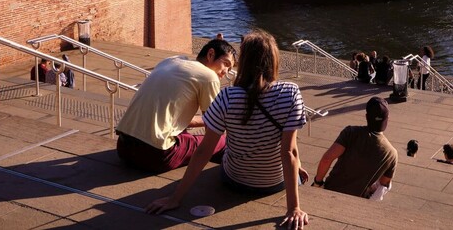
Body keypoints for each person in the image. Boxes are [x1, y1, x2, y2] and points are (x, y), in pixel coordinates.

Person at [146, 30, 310, 229]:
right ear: (274, 60)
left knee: (222, 154)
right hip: (275, 182)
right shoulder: (291, 92)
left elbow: (204, 151)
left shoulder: (227, 97)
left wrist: (175, 198)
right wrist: (294, 208)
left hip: (235, 179)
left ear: (245, 62)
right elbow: (289, 150)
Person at [116, 38, 235, 173]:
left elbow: (172, 115)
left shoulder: (170, 61)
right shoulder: (209, 76)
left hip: (123, 147)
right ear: (211, 54)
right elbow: (212, 131)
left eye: (230, 69)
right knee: (222, 142)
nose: (226, 72)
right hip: (156, 156)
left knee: (184, 133)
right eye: (225, 64)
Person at [312, 96, 398, 200]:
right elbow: (383, 183)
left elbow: (327, 159)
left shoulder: (351, 133)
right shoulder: (392, 153)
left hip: (331, 190)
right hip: (357, 201)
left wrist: (318, 182)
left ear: (366, 117)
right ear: (387, 119)